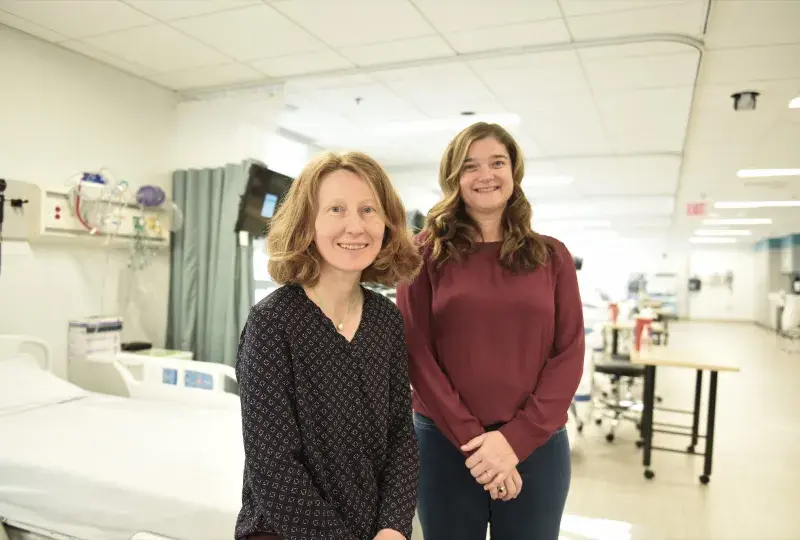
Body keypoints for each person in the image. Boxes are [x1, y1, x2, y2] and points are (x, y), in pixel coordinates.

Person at [395, 122, 585, 540]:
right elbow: (416, 352)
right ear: (454, 178)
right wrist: (478, 444)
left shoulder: (552, 256)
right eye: (470, 166)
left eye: (497, 162)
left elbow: (569, 353)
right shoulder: (424, 253)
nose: (486, 175)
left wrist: (514, 441)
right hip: (446, 444)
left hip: (536, 445)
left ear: (513, 171)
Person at [234, 151, 423, 540]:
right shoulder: (273, 323)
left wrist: (393, 527)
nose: (355, 226)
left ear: (387, 223)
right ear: (308, 223)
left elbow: (401, 437)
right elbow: (273, 468)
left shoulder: (385, 320)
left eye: (368, 210)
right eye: (336, 209)